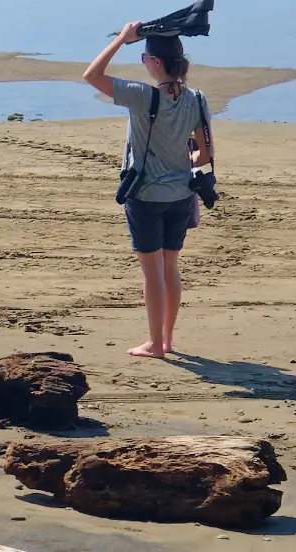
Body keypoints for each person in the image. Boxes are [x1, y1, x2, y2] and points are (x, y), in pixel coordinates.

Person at [82, 21, 214, 358]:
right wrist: (178, 157)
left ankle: (156, 344)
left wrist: (121, 41)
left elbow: (92, 75)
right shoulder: (197, 99)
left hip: (145, 198)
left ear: (156, 62)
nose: (143, 63)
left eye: (144, 58)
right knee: (170, 268)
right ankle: (167, 339)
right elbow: (205, 153)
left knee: (151, 273)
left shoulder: (143, 96)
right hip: (182, 196)